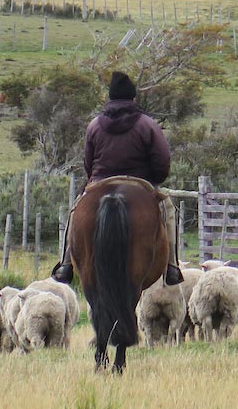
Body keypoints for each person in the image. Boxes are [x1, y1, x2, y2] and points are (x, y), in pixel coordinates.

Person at [51, 71, 184, 286]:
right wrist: (155, 180)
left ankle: (66, 263)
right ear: (133, 98)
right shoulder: (147, 124)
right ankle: (172, 266)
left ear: (110, 99)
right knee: (168, 210)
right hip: (140, 182)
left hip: (100, 180)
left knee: (76, 210)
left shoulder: (94, 125)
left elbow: (88, 161)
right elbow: (162, 160)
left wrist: (93, 181)